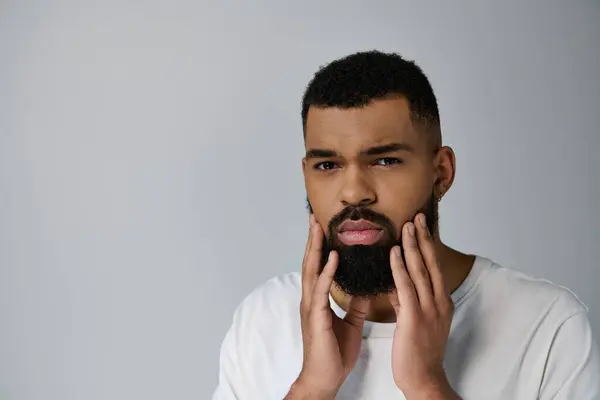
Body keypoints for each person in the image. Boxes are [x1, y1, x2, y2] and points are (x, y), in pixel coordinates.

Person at [211, 50, 600, 399]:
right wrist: (312, 388)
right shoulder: (261, 319)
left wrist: (428, 386)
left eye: (385, 161)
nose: (353, 192)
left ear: (441, 172)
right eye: (327, 165)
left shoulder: (547, 325)